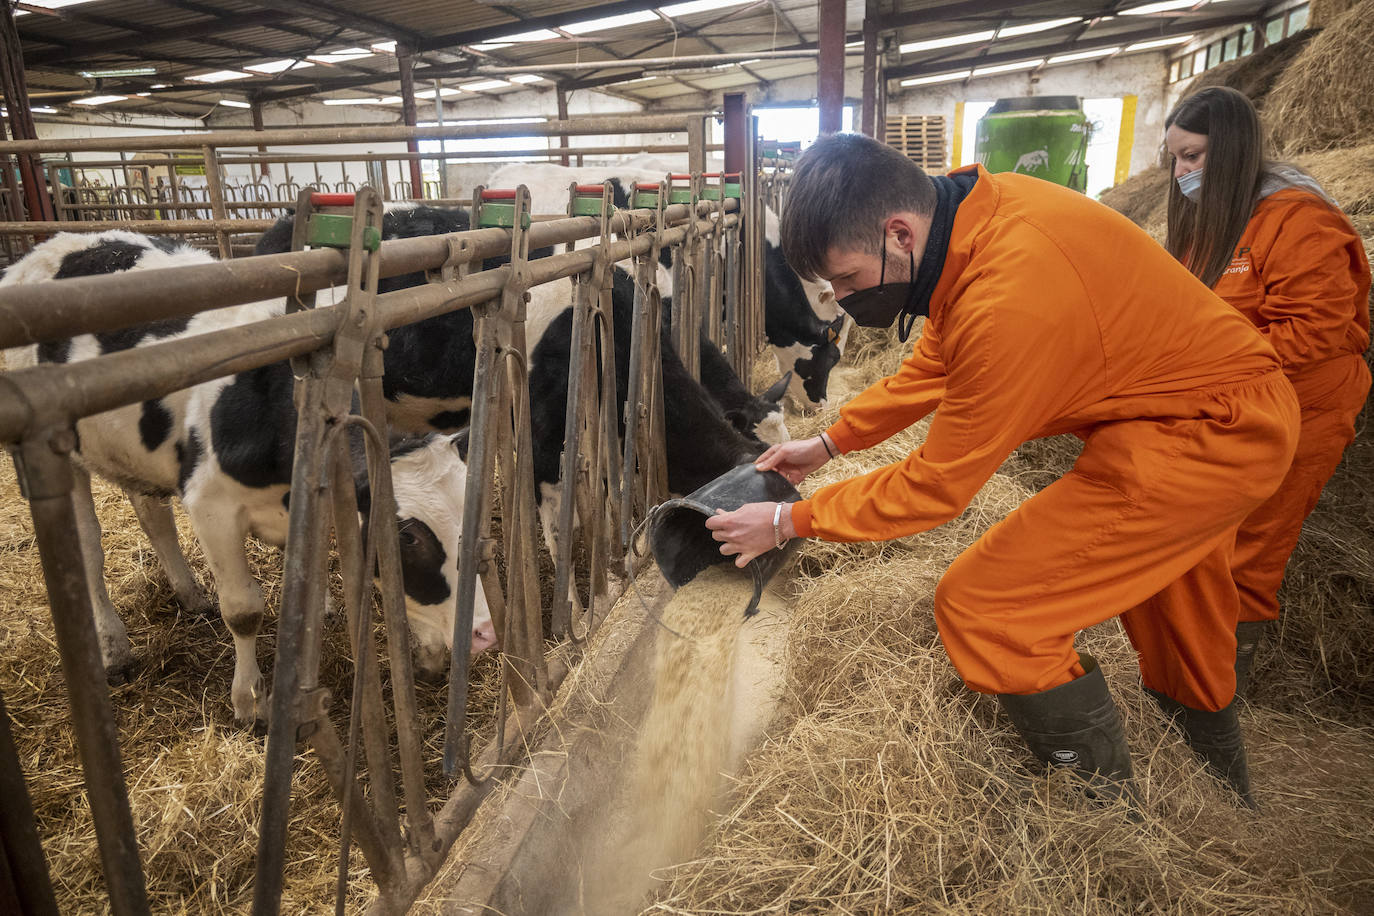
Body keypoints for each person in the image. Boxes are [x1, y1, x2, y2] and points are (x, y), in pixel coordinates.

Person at [704, 133, 1300, 806]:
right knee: (1177, 615)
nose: (842, 301)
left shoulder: (1010, 297)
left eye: (846, 280)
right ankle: (1221, 797)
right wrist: (832, 443)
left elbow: (936, 486)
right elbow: (937, 359)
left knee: (990, 607)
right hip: (1180, 408)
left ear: (898, 233)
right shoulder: (979, 218)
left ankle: (1104, 827)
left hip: (1212, 433)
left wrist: (790, 521)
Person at [1163, 87, 1371, 695]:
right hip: (1235, 403)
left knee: (1252, 547)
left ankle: (1219, 691)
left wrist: (1205, 370)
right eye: (1175, 159)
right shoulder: (1214, 219)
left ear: (1232, 149)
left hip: (1304, 405)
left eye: (1194, 157)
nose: (1181, 173)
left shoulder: (1297, 217)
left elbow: (1312, 331)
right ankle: (1186, 665)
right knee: (1203, 537)